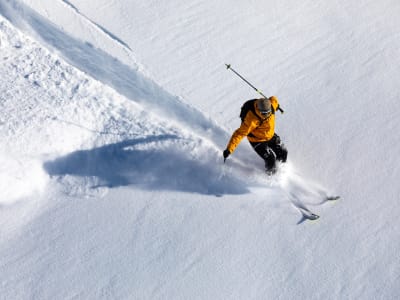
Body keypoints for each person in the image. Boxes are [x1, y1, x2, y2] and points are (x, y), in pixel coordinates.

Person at [223, 96, 288, 175]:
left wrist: (277, 105)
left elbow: (274, 99)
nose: (267, 115)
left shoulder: (271, 106)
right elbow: (239, 134)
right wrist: (229, 149)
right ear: (259, 110)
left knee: (283, 152)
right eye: (264, 113)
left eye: (268, 112)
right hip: (257, 141)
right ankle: (271, 175)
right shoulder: (251, 120)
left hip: (269, 136)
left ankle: (281, 169)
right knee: (270, 159)